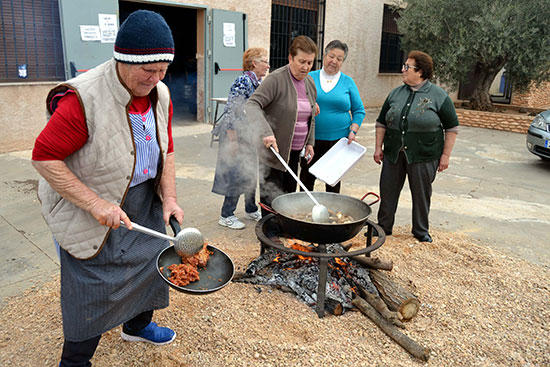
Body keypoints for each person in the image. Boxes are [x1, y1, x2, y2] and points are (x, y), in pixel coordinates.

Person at [31, 10, 183, 366]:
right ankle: (76, 360)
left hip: (143, 198)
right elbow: (44, 158)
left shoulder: (159, 93)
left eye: (163, 71)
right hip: (90, 203)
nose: (156, 79)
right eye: (149, 70)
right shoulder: (82, 100)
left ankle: (138, 324)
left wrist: (171, 197)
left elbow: (168, 148)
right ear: (124, 60)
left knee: (150, 263)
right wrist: (96, 204)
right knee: (92, 287)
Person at [373, 50, 459, 243]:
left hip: (424, 154)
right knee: (388, 191)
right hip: (393, 152)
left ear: (420, 72)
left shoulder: (438, 95)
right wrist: (378, 148)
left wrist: (445, 156)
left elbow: (452, 127)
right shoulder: (396, 93)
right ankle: (383, 228)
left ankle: (421, 231)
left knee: (421, 194)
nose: (402, 70)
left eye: (407, 67)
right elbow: (381, 123)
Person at [245, 35, 318, 216]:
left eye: (310, 63)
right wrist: (266, 132)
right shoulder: (276, 79)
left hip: (294, 152)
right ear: (290, 58)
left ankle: (284, 233)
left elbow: (311, 115)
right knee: (271, 200)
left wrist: (310, 142)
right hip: (273, 152)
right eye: (301, 61)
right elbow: (252, 105)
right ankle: (269, 237)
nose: (306, 67)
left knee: (287, 198)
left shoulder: (309, 82)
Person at [212, 47, 270, 229]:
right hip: (235, 134)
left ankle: (251, 208)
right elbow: (230, 111)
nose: (268, 65)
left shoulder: (258, 83)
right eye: (265, 61)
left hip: (248, 135)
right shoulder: (242, 81)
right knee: (236, 174)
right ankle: (226, 215)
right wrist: (233, 140)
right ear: (254, 63)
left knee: (250, 171)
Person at [300, 40, 365, 193]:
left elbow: (359, 110)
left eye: (339, 58)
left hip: (339, 143)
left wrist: (353, 131)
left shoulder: (348, 82)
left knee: (333, 183)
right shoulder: (310, 77)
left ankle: (332, 213)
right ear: (324, 56)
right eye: (331, 56)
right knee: (306, 179)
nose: (334, 61)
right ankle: (303, 213)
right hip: (311, 140)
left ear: (343, 61)